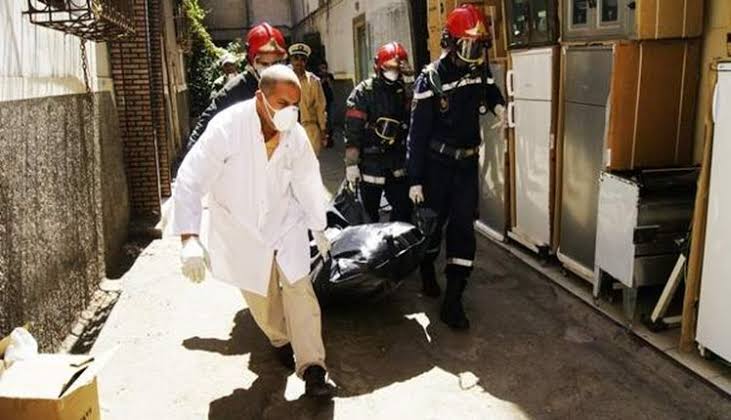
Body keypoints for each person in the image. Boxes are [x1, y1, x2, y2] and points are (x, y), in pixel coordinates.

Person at [171, 65, 335, 398]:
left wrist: (319, 226)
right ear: (261, 97)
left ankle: (313, 367)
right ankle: (280, 339)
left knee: (300, 288)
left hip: (285, 221)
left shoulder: (294, 134)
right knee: (262, 299)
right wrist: (189, 238)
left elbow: (307, 180)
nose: (290, 112)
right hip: (240, 226)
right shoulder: (227, 128)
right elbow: (190, 178)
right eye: (283, 103)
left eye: (295, 105)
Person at [407, 5, 506, 329]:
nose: (472, 54)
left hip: (466, 165)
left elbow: (490, 90)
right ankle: (427, 269)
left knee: (463, 227)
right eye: (466, 46)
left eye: (478, 47)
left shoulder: (479, 69)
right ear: (450, 43)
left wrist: (499, 107)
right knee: (433, 225)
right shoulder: (431, 79)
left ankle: (454, 299)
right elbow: (417, 135)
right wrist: (415, 178)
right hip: (436, 166)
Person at [185, 22, 287, 153]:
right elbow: (207, 122)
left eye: (277, 62)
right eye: (264, 63)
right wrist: (192, 156)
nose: (271, 69)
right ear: (251, 60)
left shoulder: (287, 87)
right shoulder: (236, 89)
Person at [343, 42, 413, 223]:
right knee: (368, 215)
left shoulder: (404, 92)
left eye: (398, 69)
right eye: (390, 68)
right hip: (370, 162)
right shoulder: (364, 92)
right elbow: (353, 131)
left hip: (396, 162)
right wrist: (352, 164)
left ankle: (396, 239)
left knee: (403, 209)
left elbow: (413, 122)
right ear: (379, 67)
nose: (394, 73)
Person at [288, 43, 327, 156]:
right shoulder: (284, 80)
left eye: (303, 59)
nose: (299, 62)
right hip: (288, 131)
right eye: (296, 58)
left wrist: (323, 132)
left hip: (309, 130)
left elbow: (320, 107)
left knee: (310, 164)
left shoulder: (314, 81)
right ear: (291, 60)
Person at [318, 61, 335, 148]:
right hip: (321, 101)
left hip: (329, 100)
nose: (324, 70)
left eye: (325, 68)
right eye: (322, 68)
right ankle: (323, 139)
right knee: (323, 120)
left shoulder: (330, 76)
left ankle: (330, 139)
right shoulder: (317, 77)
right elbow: (318, 87)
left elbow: (332, 87)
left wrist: (328, 80)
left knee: (330, 120)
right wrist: (323, 80)